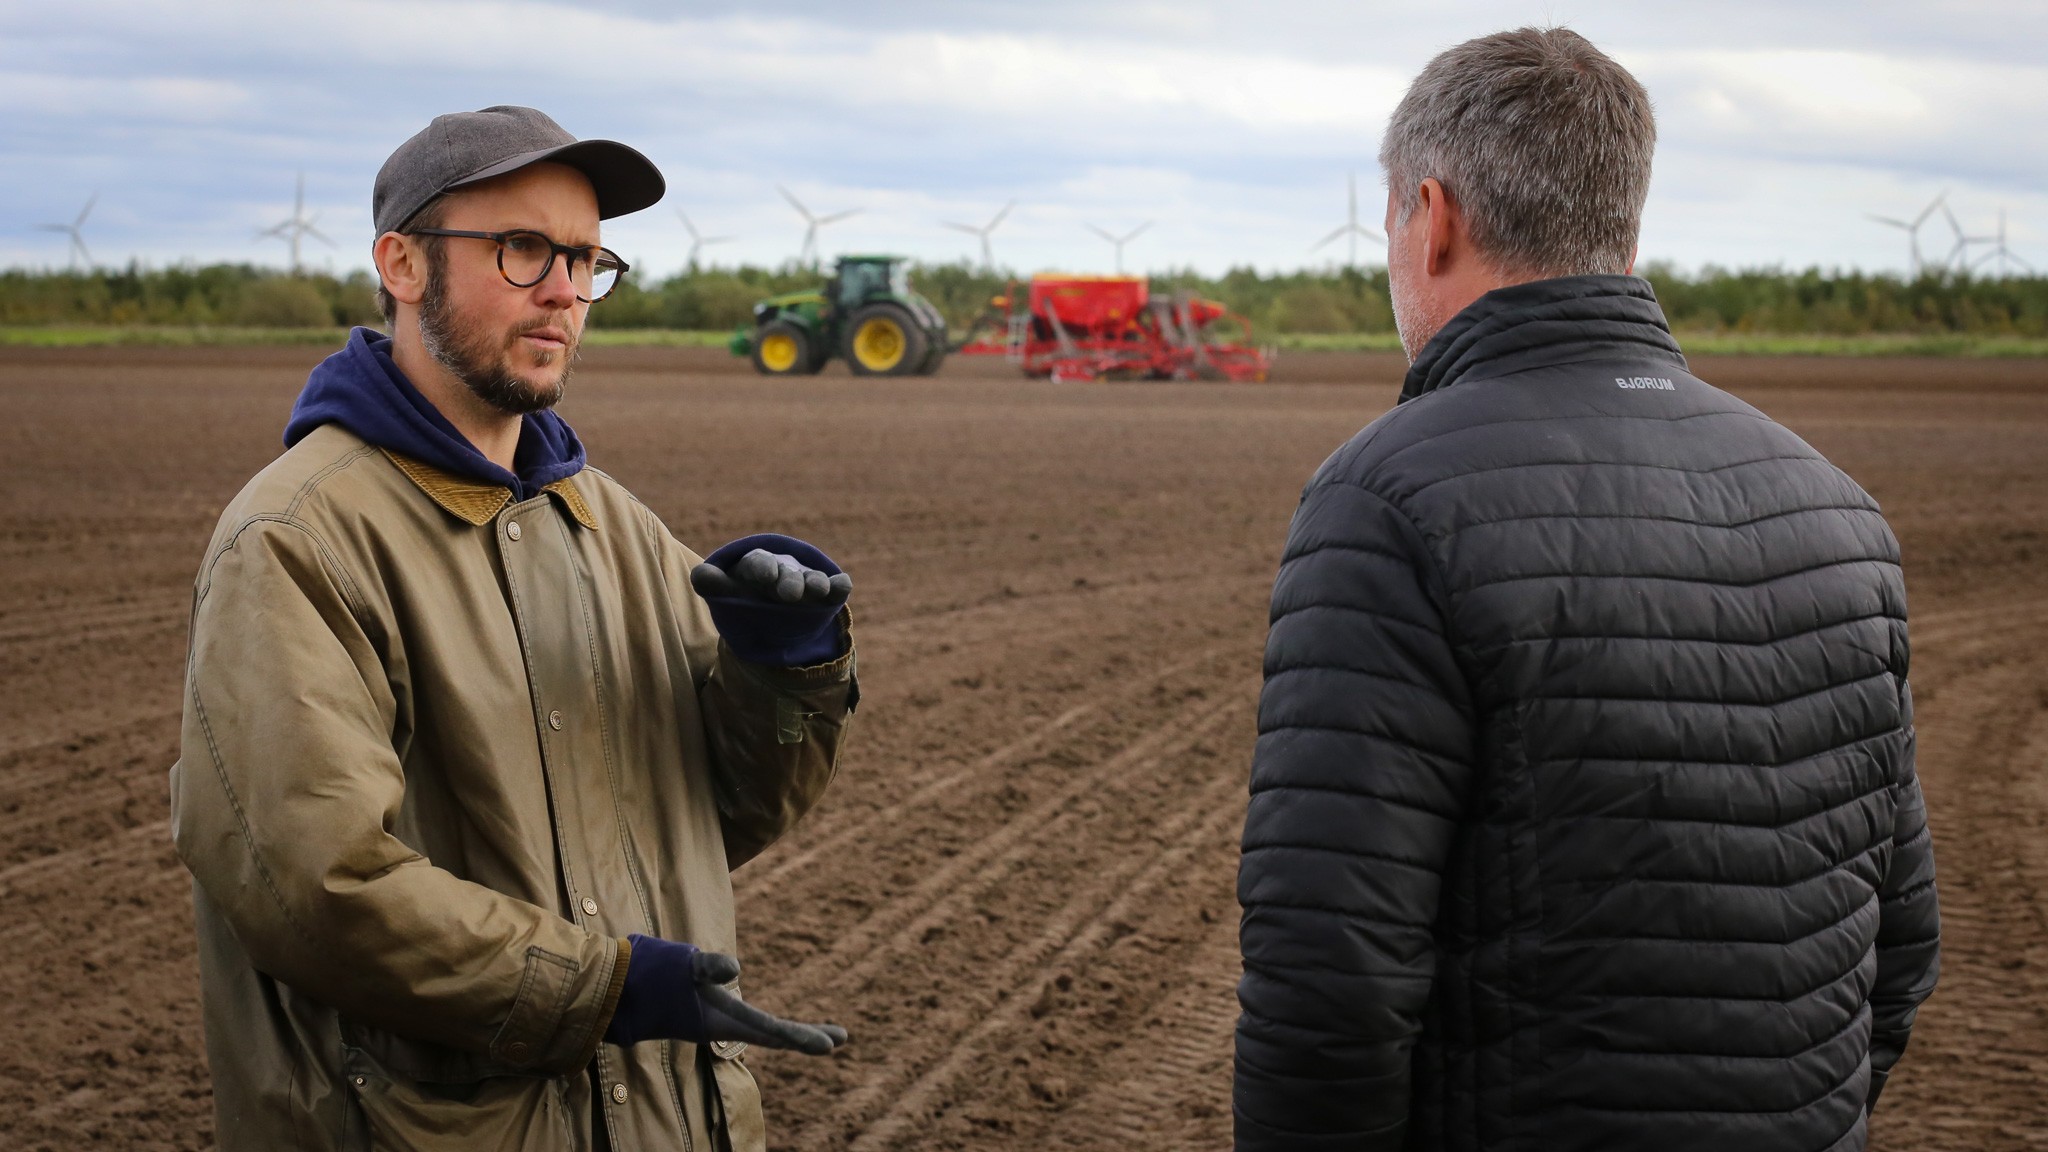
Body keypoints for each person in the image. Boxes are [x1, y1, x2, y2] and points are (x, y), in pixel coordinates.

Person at [1234, 29, 1939, 1152]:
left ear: (1434, 217)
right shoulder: (1837, 510)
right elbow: (1896, 946)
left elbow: (1330, 978)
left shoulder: (1388, 498)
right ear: (1619, 220)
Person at [171, 106, 859, 1152]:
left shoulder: (610, 525)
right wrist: (601, 992)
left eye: (586, 259)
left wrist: (778, 670)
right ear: (401, 264)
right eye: (523, 248)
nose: (565, 292)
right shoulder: (298, 541)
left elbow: (712, 818)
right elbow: (317, 888)